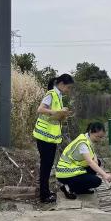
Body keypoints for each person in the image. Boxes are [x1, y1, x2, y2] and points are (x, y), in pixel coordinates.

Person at [33, 74, 74, 203]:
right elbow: (40, 109)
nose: (69, 90)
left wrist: (62, 113)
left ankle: (45, 192)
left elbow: (54, 115)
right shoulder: (51, 94)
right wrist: (56, 112)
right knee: (46, 166)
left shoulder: (58, 96)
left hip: (50, 138)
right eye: (68, 87)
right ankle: (44, 196)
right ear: (61, 84)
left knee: (47, 165)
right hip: (44, 137)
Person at [56, 122, 111, 199]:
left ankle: (80, 189)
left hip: (73, 167)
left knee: (97, 163)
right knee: (96, 181)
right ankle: (68, 187)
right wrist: (104, 175)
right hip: (65, 173)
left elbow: (92, 153)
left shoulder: (87, 138)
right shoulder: (82, 143)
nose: (99, 139)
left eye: (101, 137)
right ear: (90, 132)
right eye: (98, 137)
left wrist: (95, 160)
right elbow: (90, 162)